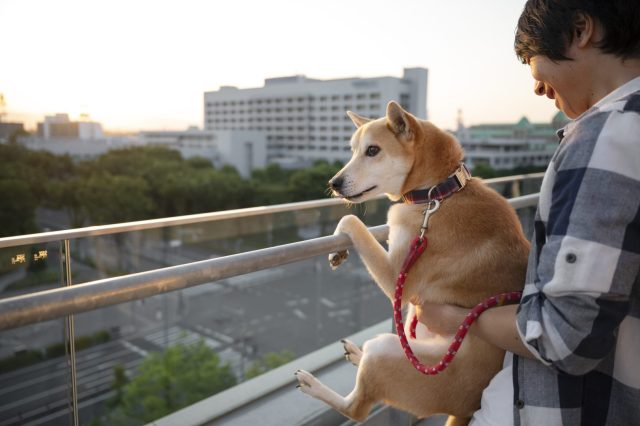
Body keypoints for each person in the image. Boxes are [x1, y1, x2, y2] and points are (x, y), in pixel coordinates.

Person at [417, 1, 640, 424]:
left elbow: (563, 337)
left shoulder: (607, 135)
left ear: (580, 30)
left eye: (531, 60)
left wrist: (457, 318)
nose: (536, 87)